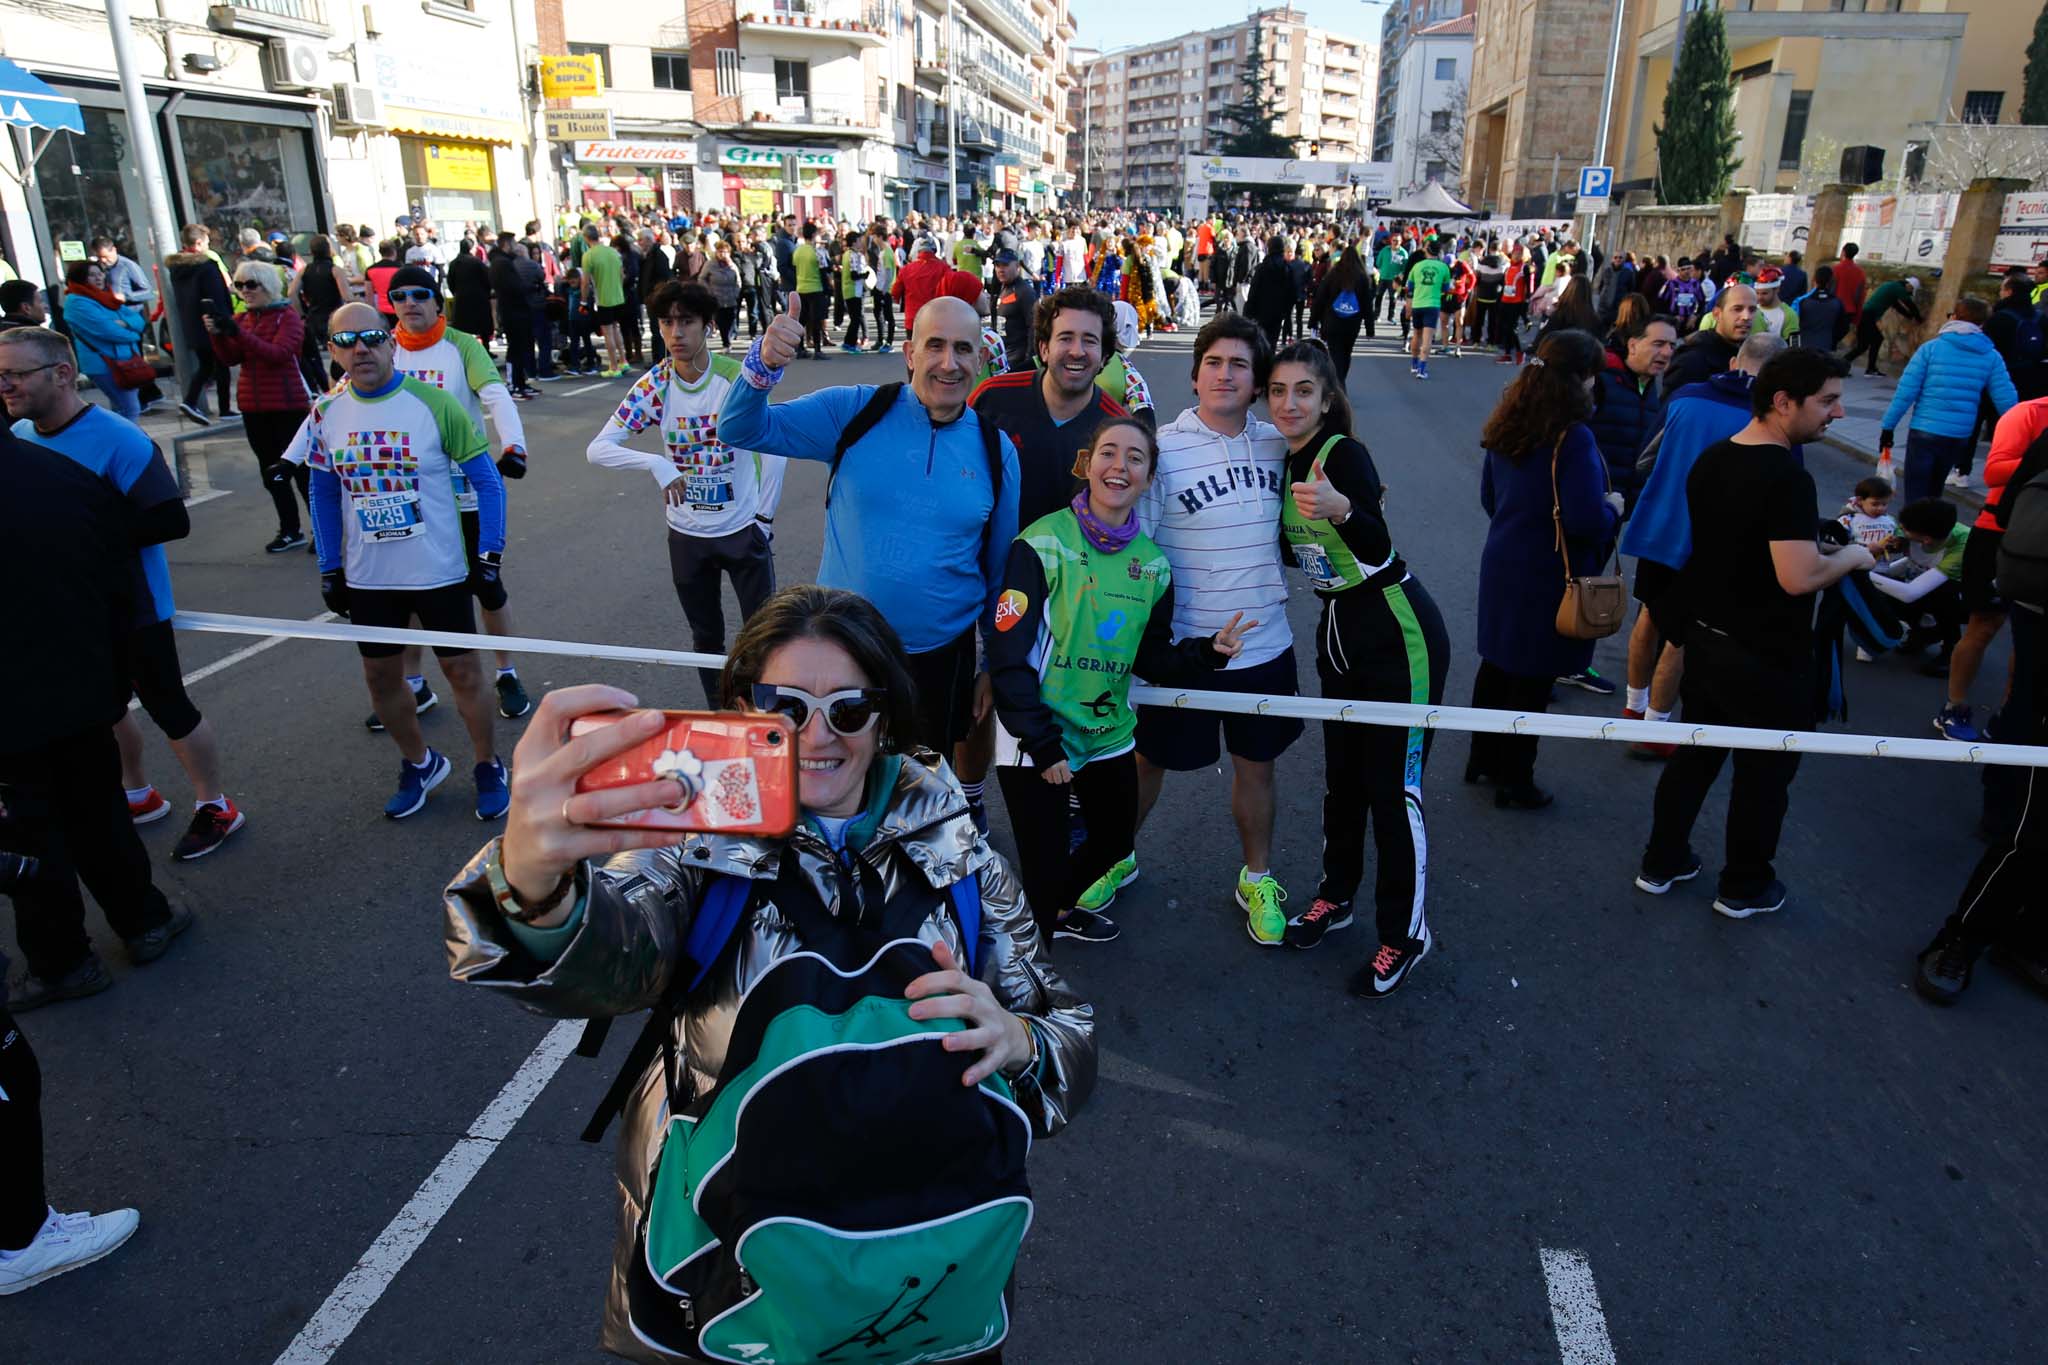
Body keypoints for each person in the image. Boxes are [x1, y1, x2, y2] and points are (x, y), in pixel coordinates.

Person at [442, 587, 1094, 1364]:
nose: (815, 735)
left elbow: (1070, 1034)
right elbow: (611, 958)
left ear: (884, 719)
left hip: (922, 1283)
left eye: (848, 709)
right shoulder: (694, 843)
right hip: (727, 1277)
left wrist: (1020, 1040)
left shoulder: (958, 852)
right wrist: (531, 879)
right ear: (744, 706)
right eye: (785, 706)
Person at [1080, 314, 1299, 945]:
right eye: (1213, 362)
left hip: (1265, 645)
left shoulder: (1277, 445)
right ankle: (1118, 854)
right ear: (1195, 372)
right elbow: (1132, 540)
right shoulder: (1163, 447)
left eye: (1239, 365)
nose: (1224, 374)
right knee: (1147, 762)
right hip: (1184, 647)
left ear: (1257, 382)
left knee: (1256, 768)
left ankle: (1256, 876)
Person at [718, 299, 1020, 755]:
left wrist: (993, 665)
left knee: (917, 785)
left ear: (980, 360)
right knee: (833, 777)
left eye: (962, 349)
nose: (948, 363)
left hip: (940, 658)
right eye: (934, 345)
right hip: (843, 651)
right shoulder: (856, 412)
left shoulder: (997, 452)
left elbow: (1000, 574)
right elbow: (739, 428)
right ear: (909, 354)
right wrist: (763, 363)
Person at [990, 418, 1245, 945]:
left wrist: (1207, 654)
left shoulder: (1153, 567)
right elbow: (1007, 654)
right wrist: (1040, 742)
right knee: (1044, 864)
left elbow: (1150, 656)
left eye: (1135, 458)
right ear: (1089, 465)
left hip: (1107, 733)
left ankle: (1042, 915)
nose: (1120, 466)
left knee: (1110, 843)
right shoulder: (1039, 542)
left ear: (1148, 478)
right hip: (1036, 738)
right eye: (1109, 453)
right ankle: (1030, 983)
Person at [1634, 348, 1870, 917]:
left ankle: (1661, 862)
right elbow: (1798, 576)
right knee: (1765, 773)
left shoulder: (1715, 458)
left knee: (1696, 756)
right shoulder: (1785, 474)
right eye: (1828, 401)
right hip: (1768, 653)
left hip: (1708, 640)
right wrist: (1853, 556)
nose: (1837, 414)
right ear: (1782, 402)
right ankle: (1743, 887)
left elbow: (1733, 541)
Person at [1, 327, 246, 867]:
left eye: (15, 374)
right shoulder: (21, 435)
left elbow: (169, 519)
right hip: (70, 608)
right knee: (104, 709)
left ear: (61, 373)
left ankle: (217, 805)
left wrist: (75, 534)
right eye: (1, 376)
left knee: (168, 706)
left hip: (132, 606)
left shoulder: (119, 438)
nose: (6, 385)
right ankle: (138, 794)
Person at [1264, 340, 1451, 995]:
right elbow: (1298, 556)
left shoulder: (1342, 454)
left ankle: (1405, 935)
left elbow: (1377, 541)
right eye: (1278, 390)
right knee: (1342, 781)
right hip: (1338, 629)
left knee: (1391, 790)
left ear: (1326, 398)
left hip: (1397, 631)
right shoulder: (1281, 462)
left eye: (1304, 391)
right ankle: (1335, 894)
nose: (1289, 403)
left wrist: (1345, 509)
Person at [0, 409, 195, 1015]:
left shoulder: (61, 472)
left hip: (14, 711)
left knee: (30, 838)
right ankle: (144, 921)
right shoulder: (64, 475)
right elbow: (122, 585)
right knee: (98, 809)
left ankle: (62, 962)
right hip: (84, 687)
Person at [302, 302, 509, 820]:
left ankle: (487, 763)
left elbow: (487, 481)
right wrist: (330, 566)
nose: (361, 349)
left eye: (372, 337)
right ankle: (419, 762)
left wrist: (489, 553)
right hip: (370, 575)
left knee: (463, 673)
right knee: (380, 680)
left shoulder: (435, 404)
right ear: (332, 351)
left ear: (391, 342)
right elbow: (323, 493)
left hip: (437, 568)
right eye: (347, 341)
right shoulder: (326, 412)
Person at [350, 264, 535, 723]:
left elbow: (495, 395)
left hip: (465, 493)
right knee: (412, 589)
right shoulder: (382, 346)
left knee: (485, 587)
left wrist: (513, 446)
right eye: (399, 296)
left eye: (419, 294)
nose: (409, 303)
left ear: (437, 301)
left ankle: (506, 671)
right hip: (409, 495)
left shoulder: (463, 346)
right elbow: (344, 402)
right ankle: (414, 684)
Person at [588, 280, 786, 706]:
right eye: (666, 322)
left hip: (741, 530)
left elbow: (775, 450)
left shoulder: (734, 379)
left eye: (687, 322)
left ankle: (765, 716)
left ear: (708, 326)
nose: (676, 333)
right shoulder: (656, 385)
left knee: (764, 635)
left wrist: (764, 519)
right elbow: (598, 448)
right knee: (706, 637)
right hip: (687, 536)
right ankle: (719, 715)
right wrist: (657, 464)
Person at [1466, 329, 1623, 810]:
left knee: (1496, 665)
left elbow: (1490, 497)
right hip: (1549, 572)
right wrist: (1614, 507)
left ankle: (1484, 758)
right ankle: (1517, 780)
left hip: (1504, 560)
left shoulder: (1509, 420)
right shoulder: (1572, 437)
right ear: (1580, 380)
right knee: (1532, 682)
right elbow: (1584, 520)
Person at [208, 260, 312, 553]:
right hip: (254, 406)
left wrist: (236, 333)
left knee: (302, 473)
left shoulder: (287, 317)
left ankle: (322, 529)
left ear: (266, 284)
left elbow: (278, 354)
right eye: (239, 285)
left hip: (288, 405)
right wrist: (218, 333)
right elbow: (230, 359)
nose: (245, 291)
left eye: (251, 284)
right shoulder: (242, 319)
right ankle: (290, 529)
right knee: (272, 474)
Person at [1877, 295, 2016, 504]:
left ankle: (1913, 528)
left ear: (1954, 317)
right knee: (1935, 488)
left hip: (1925, 427)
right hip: (1959, 432)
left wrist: (1888, 427)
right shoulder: (1991, 356)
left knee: (1916, 489)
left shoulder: (1931, 349)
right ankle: (1930, 531)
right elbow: (2006, 399)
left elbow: (1906, 392)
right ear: (1983, 323)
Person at [57, 261, 146, 422]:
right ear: (81, 278)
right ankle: (128, 444)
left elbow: (138, 319)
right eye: (92, 275)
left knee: (121, 408)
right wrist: (135, 334)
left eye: (100, 273)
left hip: (124, 359)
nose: (98, 278)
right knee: (130, 408)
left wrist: (127, 323)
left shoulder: (105, 296)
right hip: (104, 363)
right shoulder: (77, 302)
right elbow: (108, 331)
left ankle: (118, 443)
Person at [165, 226, 236, 424]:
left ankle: (190, 401)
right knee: (221, 365)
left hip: (192, 324)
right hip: (212, 323)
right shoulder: (207, 266)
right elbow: (218, 296)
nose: (207, 246)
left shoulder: (177, 269)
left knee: (206, 365)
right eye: (206, 242)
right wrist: (226, 321)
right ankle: (224, 409)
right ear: (198, 244)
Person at [1661, 283, 1758, 394]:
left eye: (1752, 310)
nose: (1746, 317)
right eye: (1737, 309)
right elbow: (1672, 407)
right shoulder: (1692, 360)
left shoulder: (1751, 355)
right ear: (1717, 314)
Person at [892, 237, 985, 330]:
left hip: (912, 318)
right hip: (935, 317)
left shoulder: (906, 269)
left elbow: (895, 292)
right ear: (935, 250)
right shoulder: (943, 267)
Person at [1310, 243, 1372, 383]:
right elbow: (1367, 304)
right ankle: (1341, 379)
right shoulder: (1362, 278)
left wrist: (1314, 320)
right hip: (1352, 323)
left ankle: (1337, 382)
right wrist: (1369, 328)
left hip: (1333, 321)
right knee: (1346, 352)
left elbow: (1320, 298)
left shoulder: (1333, 275)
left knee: (1334, 352)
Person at [1846, 274, 1924, 377]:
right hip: (1868, 315)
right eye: (1910, 291)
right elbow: (1909, 304)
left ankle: (1862, 368)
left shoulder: (1891, 286)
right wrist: (1919, 318)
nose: (1908, 293)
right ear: (1909, 285)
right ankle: (1861, 368)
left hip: (1866, 315)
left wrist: (1910, 316)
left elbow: (1897, 306)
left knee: (1866, 344)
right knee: (1871, 342)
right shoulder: (1898, 288)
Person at [579, 224, 628, 377]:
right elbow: (622, 275)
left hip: (604, 298)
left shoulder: (589, 255)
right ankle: (623, 361)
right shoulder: (613, 252)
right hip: (618, 296)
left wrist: (583, 301)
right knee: (616, 328)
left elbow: (585, 282)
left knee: (608, 333)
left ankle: (613, 366)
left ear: (586, 238)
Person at [1405, 239, 1451, 379]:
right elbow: (1446, 288)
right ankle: (1422, 369)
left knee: (1416, 334)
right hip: (1433, 304)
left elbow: (1410, 287)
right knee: (1427, 338)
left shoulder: (1417, 266)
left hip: (1418, 304)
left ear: (1427, 250)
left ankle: (1413, 364)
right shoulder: (1444, 268)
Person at [989, 248, 1038, 373]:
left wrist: (1029, 361)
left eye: (1005, 265)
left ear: (1017, 266)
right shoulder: (1002, 287)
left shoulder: (1025, 292)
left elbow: (1034, 327)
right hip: (1002, 355)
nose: (1000, 269)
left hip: (1017, 360)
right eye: (997, 265)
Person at [1245, 236, 1294, 351]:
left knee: (1260, 343)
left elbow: (1254, 291)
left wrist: (1248, 312)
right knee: (1272, 341)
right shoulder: (1287, 268)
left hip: (1261, 311)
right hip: (1278, 312)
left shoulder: (1262, 268)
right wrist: (1287, 312)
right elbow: (1291, 293)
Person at [791, 222, 830, 360]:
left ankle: (800, 348)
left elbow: (795, 267)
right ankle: (818, 350)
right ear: (814, 235)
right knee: (816, 320)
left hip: (801, 288)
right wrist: (828, 289)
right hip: (816, 288)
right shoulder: (817, 252)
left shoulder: (797, 251)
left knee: (802, 320)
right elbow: (824, 271)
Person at [445, 236, 493, 346]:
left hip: (461, 298)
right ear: (471, 248)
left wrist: (456, 293)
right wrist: (487, 293)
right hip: (479, 299)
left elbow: (450, 281)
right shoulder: (476, 262)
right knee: (483, 327)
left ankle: (462, 349)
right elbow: (487, 279)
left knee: (462, 328)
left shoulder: (454, 263)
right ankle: (486, 349)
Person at [88, 237, 153, 312]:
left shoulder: (128, 266)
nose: (103, 260)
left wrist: (125, 297)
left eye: (105, 256)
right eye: (99, 257)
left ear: (114, 250)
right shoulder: (97, 267)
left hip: (129, 315)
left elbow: (149, 293)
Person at [1795, 265, 1850, 354]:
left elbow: (1793, 326)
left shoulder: (1802, 302)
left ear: (1814, 280)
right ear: (1831, 282)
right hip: (1826, 348)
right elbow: (1844, 328)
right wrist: (1833, 340)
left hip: (1803, 347)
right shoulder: (1837, 303)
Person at [703, 239, 741, 350]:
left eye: (725, 252)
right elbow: (702, 278)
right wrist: (708, 292)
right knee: (720, 320)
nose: (722, 254)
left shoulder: (732, 265)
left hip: (730, 297)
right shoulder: (710, 264)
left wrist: (736, 292)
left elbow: (737, 279)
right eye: (720, 251)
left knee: (730, 319)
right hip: (716, 297)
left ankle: (729, 338)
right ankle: (726, 342)